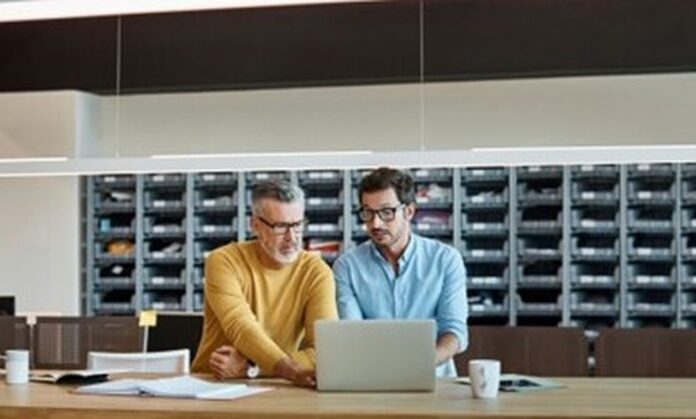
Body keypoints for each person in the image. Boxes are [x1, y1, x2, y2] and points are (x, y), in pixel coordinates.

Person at [191, 179, 337, 387]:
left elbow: (325, 349)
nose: (291, 238)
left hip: (279, 385)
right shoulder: (224, 261)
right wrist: (287, 368)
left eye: (297, 225)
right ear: (255, 226)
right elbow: (241, 327)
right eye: (280, 227)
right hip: (212, 383)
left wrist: (253, 369)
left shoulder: (316, 272)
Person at [333, 167, 468, 377]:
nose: (375, 223)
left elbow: (454, 331)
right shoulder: (347, 266)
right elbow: (353, 334)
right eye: (368, 213)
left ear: (409, 212)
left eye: (386, 212)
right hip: (373, 380)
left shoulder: (445, 260)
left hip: (434, 379)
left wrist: (419, 364)